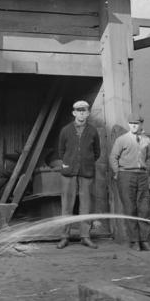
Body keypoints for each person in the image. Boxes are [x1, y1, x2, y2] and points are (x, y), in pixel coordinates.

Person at [56, 100, 101, 249]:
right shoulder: (65, 130)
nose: (81, 113)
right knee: (66, 206)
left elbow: (97, 153)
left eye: (84, 111)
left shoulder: (93, 131)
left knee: (86, 206)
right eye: (79, 111)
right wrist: (69, 162)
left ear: (88, 113)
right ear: (74, 113)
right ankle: (64, 237)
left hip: (86, 172)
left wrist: (85, 163)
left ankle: (85, 236)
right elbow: (61, 151)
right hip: (69, 173)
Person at [109, 115, 150, 251]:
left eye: (137, 123)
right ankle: (134, 241)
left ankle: (144, 240)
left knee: (144, 208)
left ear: (141, 124)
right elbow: (113, 157)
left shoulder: (146, 140)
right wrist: (117, 172)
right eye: (131, 123)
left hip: (141, 175)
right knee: (130, 208)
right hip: (126, 175)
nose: (134, 126)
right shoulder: (122, 140)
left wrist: (146, 170)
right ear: (128, 124)